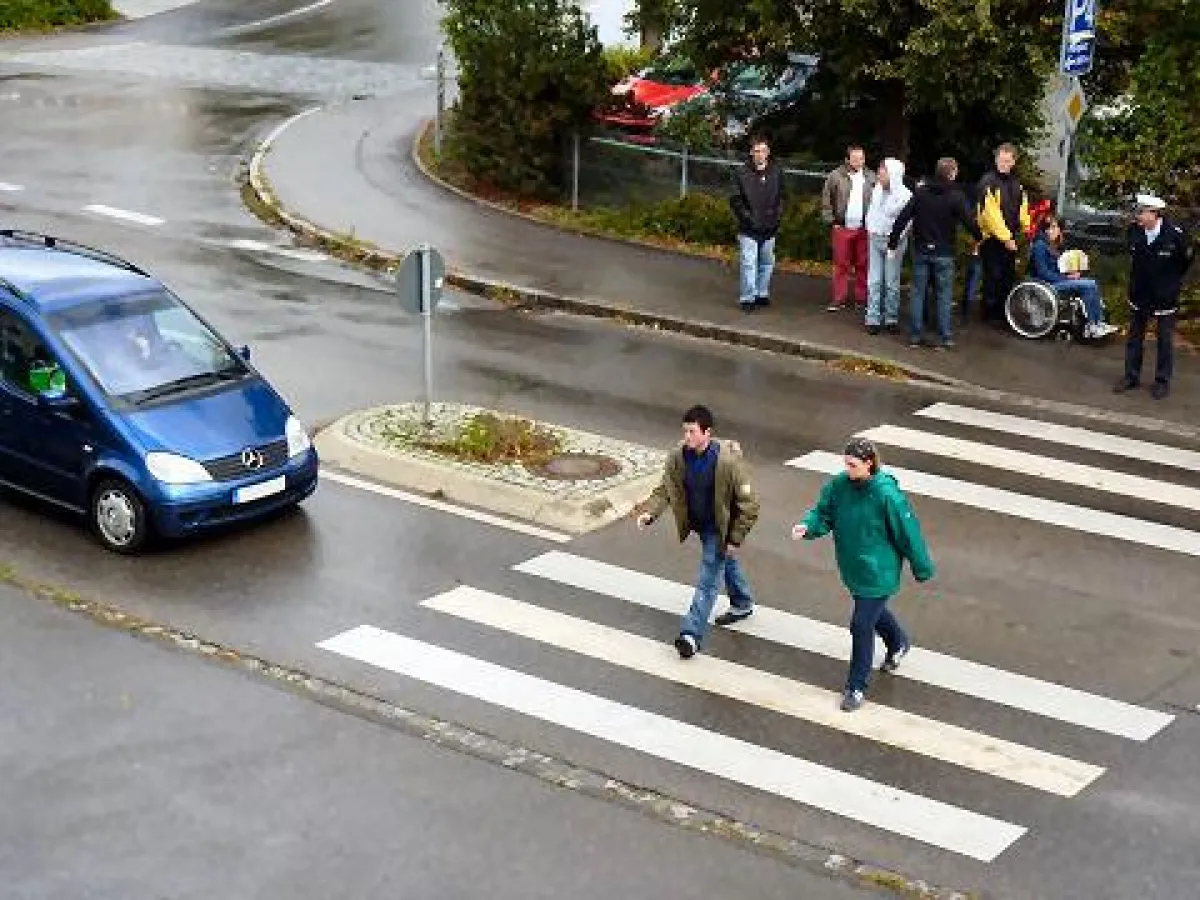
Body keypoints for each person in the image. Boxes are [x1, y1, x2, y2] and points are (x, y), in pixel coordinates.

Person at [791, 438, 935, 712]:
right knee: (873, 613)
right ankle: (898, 642)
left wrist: (922, 567)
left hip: (880, 572)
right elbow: (824, 513)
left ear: (869, 464)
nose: (847, 469)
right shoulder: (839, 485)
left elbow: (908, 534)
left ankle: (856, 687)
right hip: (854, 567)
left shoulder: (886, 496)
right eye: (845, 463)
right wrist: (808, 527)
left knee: (861, 624)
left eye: (852, 464)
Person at [636, 405, 761, 659]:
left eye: (692, 432)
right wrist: (650, 513)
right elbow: (665, 490)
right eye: (685, 431)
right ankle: (742, 603)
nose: (687, 437)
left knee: (707, 582)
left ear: (707, 432)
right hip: (701, 525)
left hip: (719, 529)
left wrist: (735, 538)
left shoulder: (727, 463)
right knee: (724, 562)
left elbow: (749, 505)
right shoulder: (679, 457)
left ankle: (690, 635)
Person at [888, 157, 982, 349]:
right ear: (952, 173)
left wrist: (893, 241)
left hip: (922, 250)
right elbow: (970, 222)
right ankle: (944, 337)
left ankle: (915, 335)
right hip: (944, 252)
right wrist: (979, 236)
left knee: (918, 293)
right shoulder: (956, 196)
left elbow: (903, 217)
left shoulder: (921, 193)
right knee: (944, 295)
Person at [1115, 193, 1195, 400]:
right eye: (1137, 212)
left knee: (1164, 341)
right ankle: (1131, 376)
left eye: (1141, 212)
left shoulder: (1175, 235)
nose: (1138, 216)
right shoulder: (1134, 232)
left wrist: (1171, 284)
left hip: (1164, 295)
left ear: (1155, 214)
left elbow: (1185, 262)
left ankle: (1162, 381)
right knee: (1135, 338)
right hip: (1140, 293)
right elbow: (1134, 259)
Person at [1029, 214, 1118, 339]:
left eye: (1055, 227)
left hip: (1055, 281)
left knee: (1091, 284)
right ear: (1043, 229)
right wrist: (1067, 278)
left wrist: (1070, 274)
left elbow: (1057, 269)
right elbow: (1043, 272)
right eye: (1048, 228)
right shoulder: (1040, 245)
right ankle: (1092, 325)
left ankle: (1097, 323)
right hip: (1045, 285)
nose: (1051, 231)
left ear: (1060, 229)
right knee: (1089, 284)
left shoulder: (1053, 245)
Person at [976, 142, 1031, 324]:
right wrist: (1006, 238)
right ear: (996, 159)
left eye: (1007, 161)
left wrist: (1026, 227)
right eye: (1001, 160)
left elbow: (1022, 208)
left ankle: (1003, 313)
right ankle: (989, 314)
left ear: (1013, 162)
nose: (1004, 164)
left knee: (1007, 277)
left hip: (1011, 239)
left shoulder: (1017, 185)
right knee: (993, 276)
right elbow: (991, 215)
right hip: (992, 239)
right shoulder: (988, 182)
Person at [730, 137, 785, 313]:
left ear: (768, 153)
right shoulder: (741, 173)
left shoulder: (776, 172)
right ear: (751, 153)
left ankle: (762, 292)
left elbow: (782, 197)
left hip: (770, 226)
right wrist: (748, 218)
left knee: (767, 262)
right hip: (749, 228)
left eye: (763, 150)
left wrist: (777, 216)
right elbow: (735, 200)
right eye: (757, 151)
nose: (760, 154)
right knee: (748, 262)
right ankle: (748, 297)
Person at [822, 145, 875, 311]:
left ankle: (861, 298)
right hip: (842, 227)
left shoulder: (871, 177)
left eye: (862, 158)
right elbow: (826, 199)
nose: (859, 161)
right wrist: (832, 221)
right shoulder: (835, 176)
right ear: (847, 159)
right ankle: (839, 298)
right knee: (841, 265)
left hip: (863, 228)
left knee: (863, 264)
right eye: (855, 158)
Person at [864, 157, 912, 334]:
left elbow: (907, 222)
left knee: (891, 282)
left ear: (893, 175)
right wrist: (869, 227)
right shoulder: (877, 189)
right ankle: (873, 318)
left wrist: (896, 239)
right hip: (875, 238)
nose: (879, 176)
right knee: (874, 280)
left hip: (894, 243)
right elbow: (872, 211)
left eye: (882, 173)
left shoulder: (905, 195)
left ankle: (891, 318)